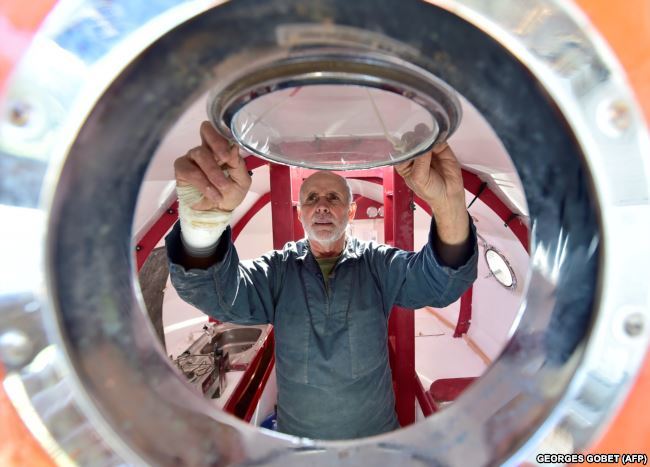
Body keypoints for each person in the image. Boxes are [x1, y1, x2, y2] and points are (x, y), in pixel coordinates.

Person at [165, 121, 478, 440]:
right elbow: (215, 295)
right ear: (300, 213)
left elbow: (441, 283)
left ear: (351, 212)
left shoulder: (378, 264)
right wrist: (202, 224)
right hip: (300, 449)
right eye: (312, 198)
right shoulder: (278, 270)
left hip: (376, 446)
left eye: (334, 197)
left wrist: (448, 204)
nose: (323, 205)